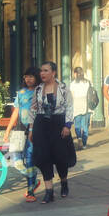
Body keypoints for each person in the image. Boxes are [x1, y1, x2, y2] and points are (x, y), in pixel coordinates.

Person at [29, 61, 75, 204]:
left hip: (59, 124)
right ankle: (49, 192)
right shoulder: (37, 90)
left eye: (46, 70)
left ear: (53, 72)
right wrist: (31, 129)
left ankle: (64, 182)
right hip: (41, 125)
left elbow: (70, 107)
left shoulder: (63, 88)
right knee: (43, 158)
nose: (42, 73)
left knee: (61, 158)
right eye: (41, 71)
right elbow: (33, 109)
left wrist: (67, 125)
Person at [2, 67, 41, 201]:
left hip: (35, 129)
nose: (28, 79)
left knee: (30, 159)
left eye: (31, 76)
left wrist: (33, 129)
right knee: (15, 160)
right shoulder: (21, 93)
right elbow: (16, 112)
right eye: (26, 77)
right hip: (19, 128)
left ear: (36, 77)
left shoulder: (40, 92)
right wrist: (8, 130)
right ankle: (33, 178)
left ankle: (30, 192)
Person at [69, 67, 94, 150]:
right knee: (85, 126)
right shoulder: (88, 82)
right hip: (87, 106)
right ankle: (84, 144)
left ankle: (79, 137)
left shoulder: (72, 84)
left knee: (77, 125)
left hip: (76, 105)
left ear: (75, 73)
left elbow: (71, 96)